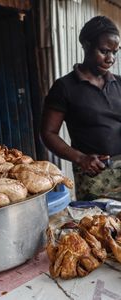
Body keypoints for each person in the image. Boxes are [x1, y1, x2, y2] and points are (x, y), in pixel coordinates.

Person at [41, 16, 121, 201]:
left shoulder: (119, 83)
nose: (111, 59)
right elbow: (48, 133)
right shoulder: (65, 87)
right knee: (99, 225)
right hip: (95, 174)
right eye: (104, 51)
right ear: (86, 45)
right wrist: (80, 158)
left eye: (115, 52)